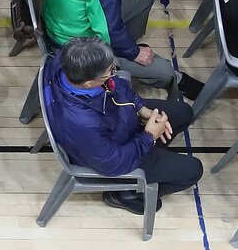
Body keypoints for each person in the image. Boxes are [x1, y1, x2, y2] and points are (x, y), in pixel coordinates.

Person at [40, 34, 201, 215]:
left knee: (183, 113)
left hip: (116, 122)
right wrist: (148, 137)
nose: (112, 74)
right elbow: (113, 163)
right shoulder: (83, 123)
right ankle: (125, 193)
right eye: (109, 72)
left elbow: (116, 85)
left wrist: (141, 109)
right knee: (194, 170)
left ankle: (154, 154)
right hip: (114, 154)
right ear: (89, 83)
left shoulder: (69, 57)